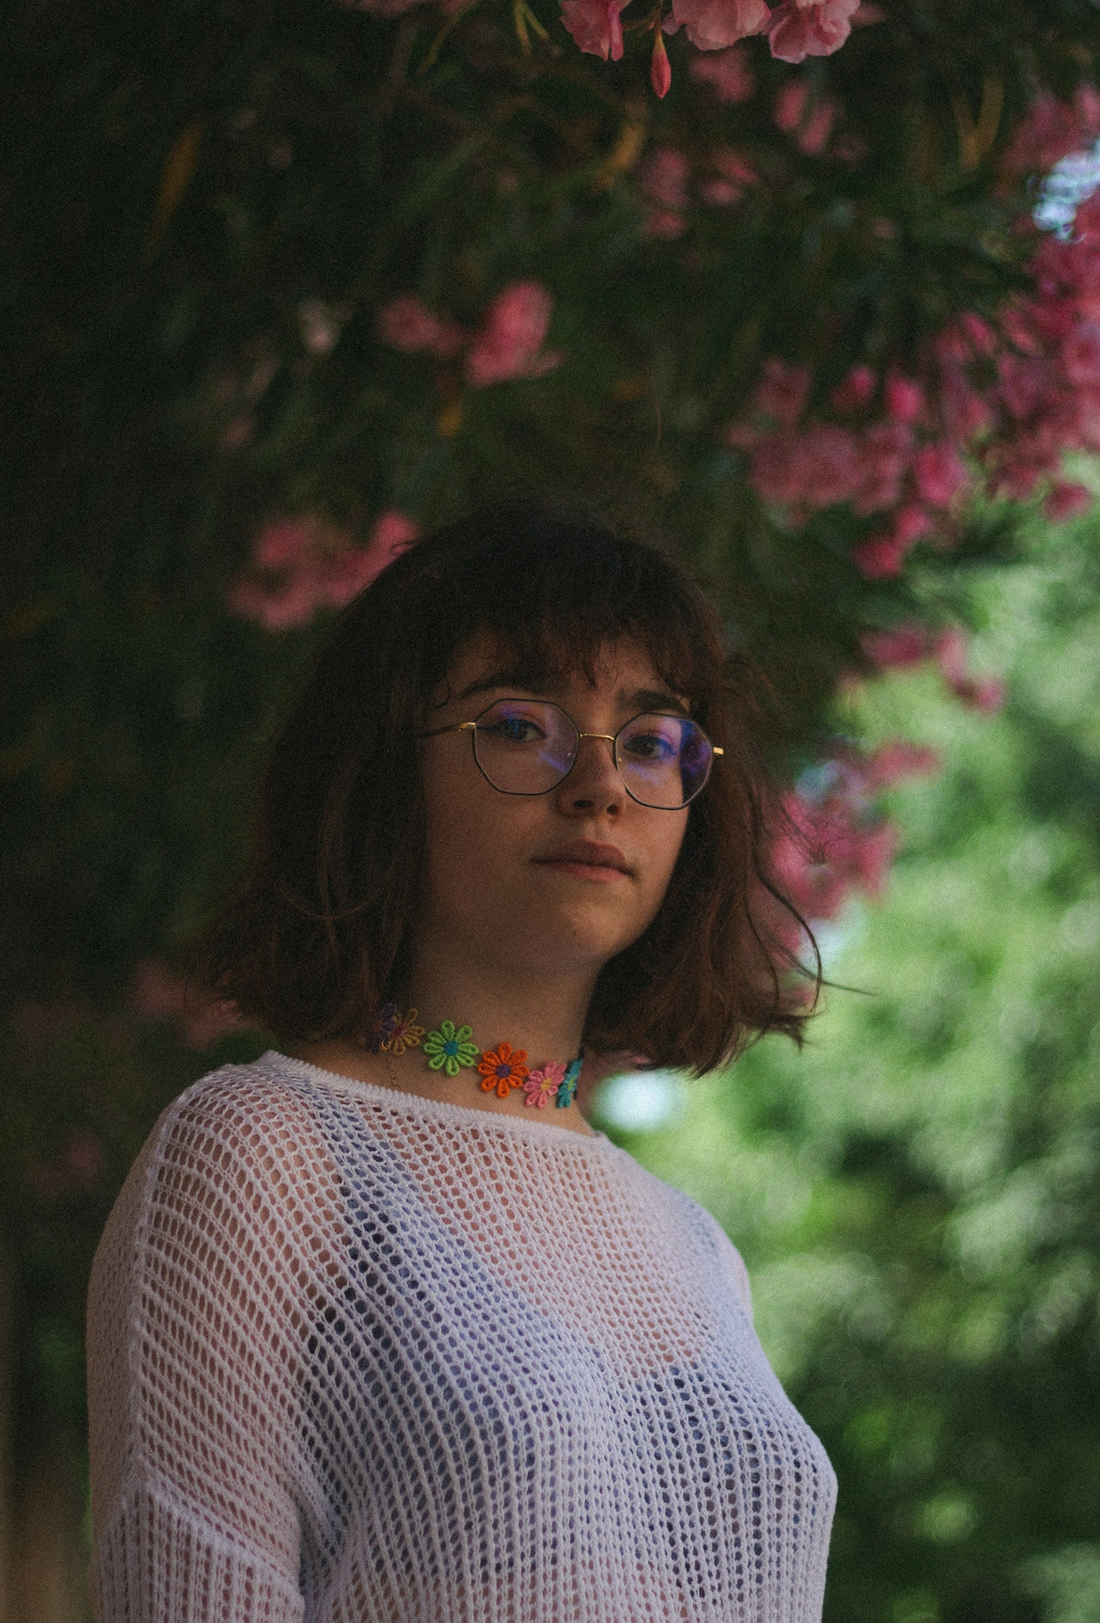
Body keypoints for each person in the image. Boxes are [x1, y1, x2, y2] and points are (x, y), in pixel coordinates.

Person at [86, 498, 836, 1623]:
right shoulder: (261, 1155)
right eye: (519, 725)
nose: (599, 785)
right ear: (385, 770)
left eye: (649, 741)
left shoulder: (697, 1250)